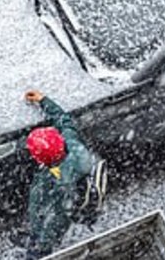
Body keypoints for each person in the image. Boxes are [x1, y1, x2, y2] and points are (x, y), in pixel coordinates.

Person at [23, 90, 106, 259]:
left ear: (41, 159)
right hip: (77, 190)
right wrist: (44, 101)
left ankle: (38, 252)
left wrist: (41, 240)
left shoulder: (56, 183)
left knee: (40, 247)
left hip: (50, 230)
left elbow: (56, 218)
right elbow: (64, 121)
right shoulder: (72, 143)